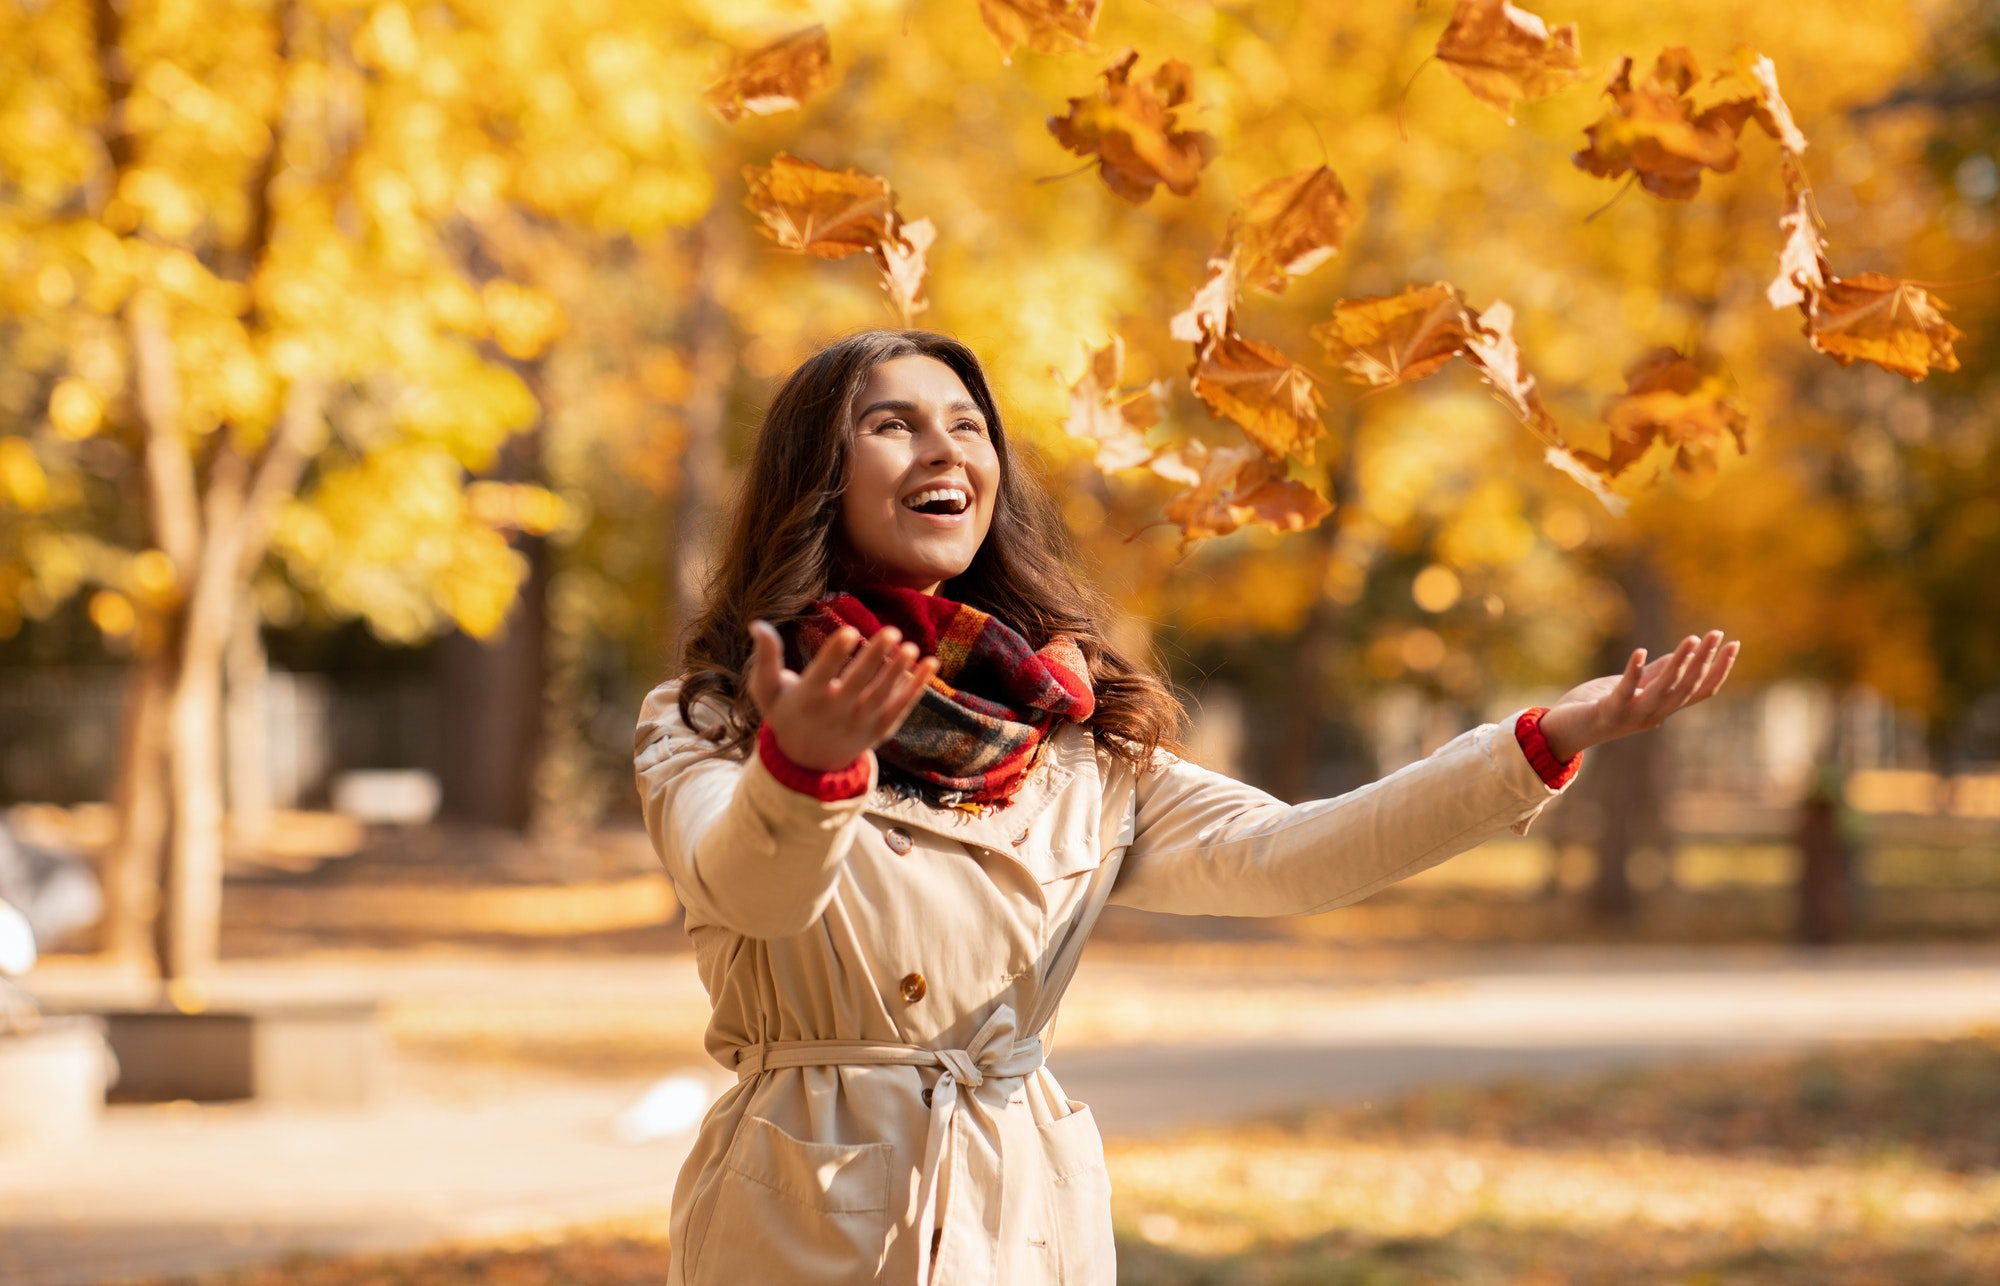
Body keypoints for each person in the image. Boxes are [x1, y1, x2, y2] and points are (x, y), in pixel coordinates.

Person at [633, 329, 1738, 1285]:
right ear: (816, 476)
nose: (942, 449)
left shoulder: (1066, 740)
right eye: (892, 424)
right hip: (803, 1212)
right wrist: (806, 768)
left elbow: (1286, 853)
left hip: (1017, 1206)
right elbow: (753, 890)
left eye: (967, 426)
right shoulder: (714, 720)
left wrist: (1535, 743)